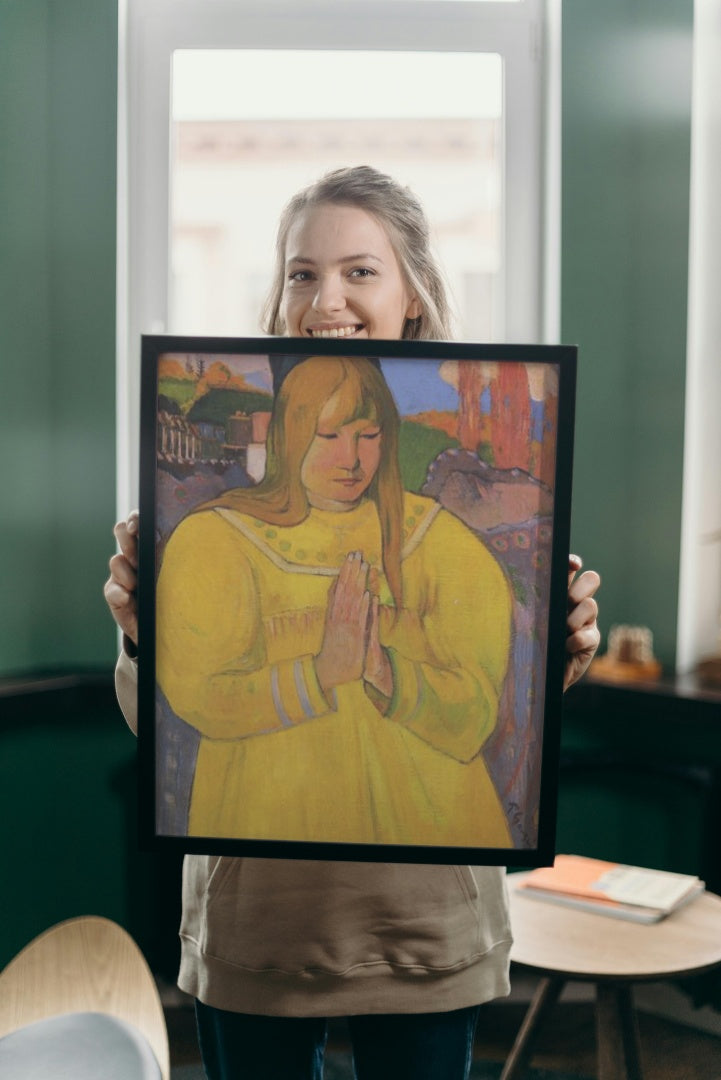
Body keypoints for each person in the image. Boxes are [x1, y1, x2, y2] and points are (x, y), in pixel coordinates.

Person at [105, 165, 601, 1080]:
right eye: (301, 272)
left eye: (359, 271)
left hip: (424, 923)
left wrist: (550, 657)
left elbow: (478, 721)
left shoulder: (451, 543)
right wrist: (144, 634)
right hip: (260, 924)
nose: (324, 297)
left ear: (412, 293)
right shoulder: (212, 536)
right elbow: (176, 717)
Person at [155, 355, 514, 848]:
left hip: (428, 842)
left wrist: (385, 673)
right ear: (287, 434)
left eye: (368, 435)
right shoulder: (216, 541)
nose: (351, 459)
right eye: (328, 436)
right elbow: (198, 696)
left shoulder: (441, 542)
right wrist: (321, 672)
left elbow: (475, 718)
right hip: (266, 837)